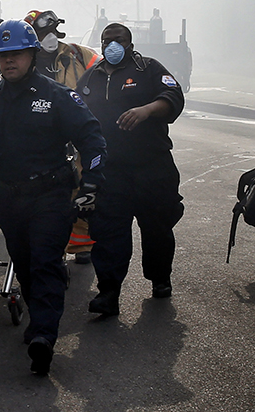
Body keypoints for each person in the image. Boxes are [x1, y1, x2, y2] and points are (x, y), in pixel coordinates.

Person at [0, 20, 106, 376]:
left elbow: (93, 139)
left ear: (32, 55)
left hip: (50, 196)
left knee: (45, 262)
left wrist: (92, 184)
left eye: (17, 55)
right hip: (9, 199)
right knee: (24, 265)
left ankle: (44, 334)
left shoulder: (56, 96)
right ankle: (38, 317)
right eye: (3, 56)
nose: (10, 62)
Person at [77, 22, 185, 314]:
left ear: (130, 44)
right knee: (109, 233)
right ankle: (108, 293)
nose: (112, 45)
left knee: (157, 228)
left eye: (118, 40)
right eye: (106, 41)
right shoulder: (91, 77)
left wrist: (147, 110)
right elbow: (74, 114)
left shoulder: (148, 69)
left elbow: (174, 98)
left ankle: (160, 277)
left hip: (152, 167)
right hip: (110, 171)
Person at [25, 9, 101, 264]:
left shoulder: (79, 55)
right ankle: (49, 243)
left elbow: (103, 76)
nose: (49, 37)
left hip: (78, 128)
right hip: (42, 134)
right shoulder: (27, 60)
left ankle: (81, 245)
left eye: (51, 30)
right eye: (41, 33)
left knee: (81, 185)